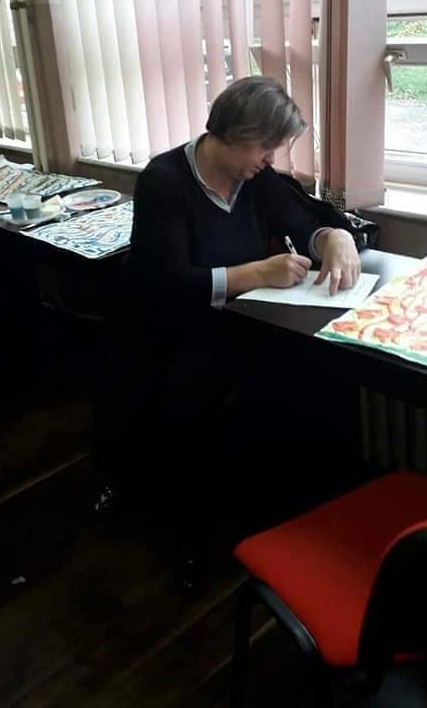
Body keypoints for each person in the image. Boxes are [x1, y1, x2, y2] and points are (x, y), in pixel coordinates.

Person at [95, 77, 362, 585]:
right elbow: (168, 282)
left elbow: (301, 219)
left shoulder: (255, 179)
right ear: (235, 134)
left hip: (237, 322)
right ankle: (193, 531)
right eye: (265, 146)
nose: (271, 159)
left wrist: (334, 239)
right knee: (194, 396)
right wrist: (256, 273)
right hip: (167, 330)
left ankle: (297, 511)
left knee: (318, 375)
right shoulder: (165, 182)